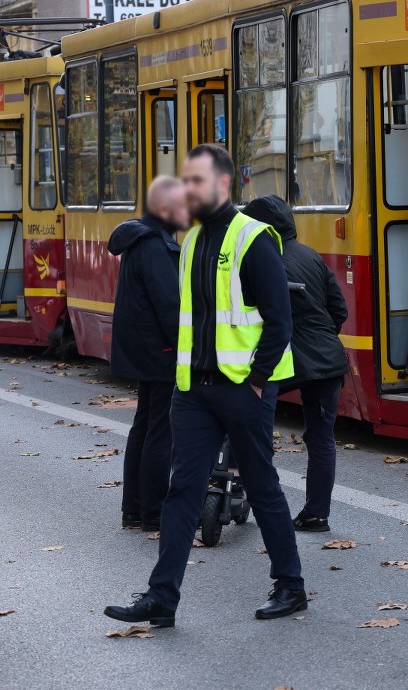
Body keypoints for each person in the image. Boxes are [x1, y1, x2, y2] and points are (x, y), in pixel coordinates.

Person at [104, 144, 305, 627]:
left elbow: (280, 320)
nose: (188, 189)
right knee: (182, 493)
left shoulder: (253, 238)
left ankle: (291, 585)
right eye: (185, 180)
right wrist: (183, 382)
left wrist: (257, 380)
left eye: (197, 181)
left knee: (261, 486)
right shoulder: (191, 240)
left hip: (243, 389)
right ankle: (161, 598)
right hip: (193, 391)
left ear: (224, 184)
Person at [243, 194, 348, 533]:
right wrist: (321, 339)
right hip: (326, 359)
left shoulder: (259, 258)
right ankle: (317, 514)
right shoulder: (311, 256)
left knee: (249, 428)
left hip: (279, 360)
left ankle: (249, 498)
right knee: (321, 438)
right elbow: (339, 311)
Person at [108, 176, 190, 532]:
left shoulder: (139, 240)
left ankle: (134, 508)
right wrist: (186, 347)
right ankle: (153, 510)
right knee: (161, 429)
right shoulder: (156, 246)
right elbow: (169, 305)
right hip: (161, 348)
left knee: (144, 425)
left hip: (142, 346)